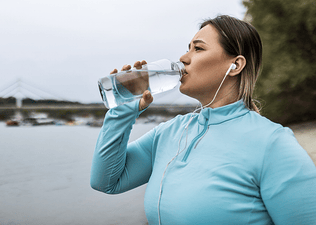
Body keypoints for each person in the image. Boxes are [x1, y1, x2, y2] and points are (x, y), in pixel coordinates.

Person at [90, 15, 316, 225]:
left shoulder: (272, 144)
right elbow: (107, 181)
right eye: (187, 48)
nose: (183, 58)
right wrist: (122, 111)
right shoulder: (169, 132)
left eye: (198, 48)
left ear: (235, 65)